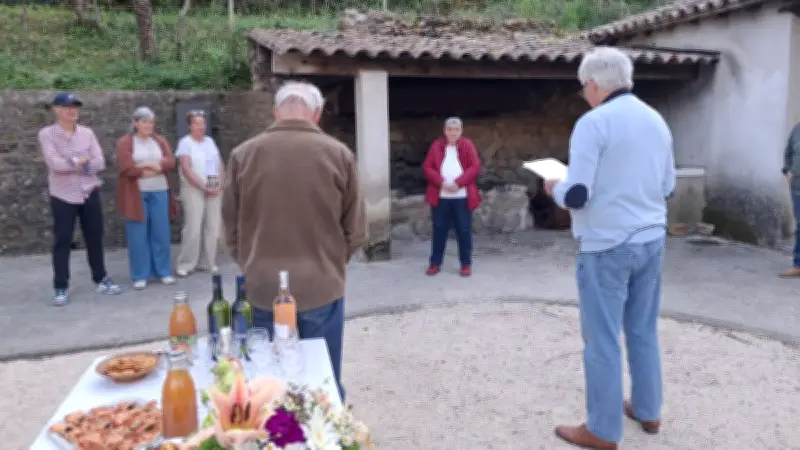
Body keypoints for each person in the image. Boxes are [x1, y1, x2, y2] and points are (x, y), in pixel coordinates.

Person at [544, 47, 676, 449]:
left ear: (595, 84)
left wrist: (555, 189)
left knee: (601, 339)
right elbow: (668, 186)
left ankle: (602, 430)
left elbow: (579, 194)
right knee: (642, 329)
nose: (585, 94)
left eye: (585, 87)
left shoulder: (593, 123)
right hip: (652, 239)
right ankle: (648, 410)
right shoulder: (656, 120)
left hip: (606, 246)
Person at [221, 81, 367, 401]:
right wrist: (331, 262)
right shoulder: (339, 154)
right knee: (322, 383)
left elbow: (229, 227)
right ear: (317, 114)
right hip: (321, 284)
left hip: (261, 287)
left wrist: (250, 262)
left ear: (276, 112)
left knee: (265, 385)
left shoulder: (242, 155)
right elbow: (356, 230)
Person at [37, 92, 123, 306]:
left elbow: (100, 162)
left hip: (88, 190)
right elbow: (54, 164)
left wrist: (72, 162)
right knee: (62, 240)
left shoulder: (87, 133)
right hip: (63, 194)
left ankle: (101, 278)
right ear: (56, 109)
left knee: (95, 236)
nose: (72, 110)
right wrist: (81, 160)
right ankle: (60, 286)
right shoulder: (47, 134)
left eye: (75, 107)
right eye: (67, 107)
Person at [116, 107, 178, 289]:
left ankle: (163, 271)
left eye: (150, 122)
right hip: (137, 193)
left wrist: (147, 165)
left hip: (160, 190)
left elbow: (170, 162)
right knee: (138, 234)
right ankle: (140, 275)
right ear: (135, 123)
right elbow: (127, 167)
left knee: (161, 231)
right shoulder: (125, 142)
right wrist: (154, 167)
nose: (148, 125)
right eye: (144, 122)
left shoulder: (159, 140)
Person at [422, 117, 482, 277]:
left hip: (462, 197)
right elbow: (427, 167)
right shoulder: (436, 146)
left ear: (461, 131)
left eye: (456, 130)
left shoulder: (467, 145)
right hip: (441, 196)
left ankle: (466, 264)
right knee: (439, 230)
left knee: (463, 230)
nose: (453, 133)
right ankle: (434, 263)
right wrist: (441, 182)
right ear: (445, 131)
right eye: (450, 129)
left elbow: (475, 166)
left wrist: (459, 182)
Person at [175, 110, 224, 277]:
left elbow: (219, 163)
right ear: (190, 125)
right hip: (193, 188)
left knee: (213, 227)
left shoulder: (210, 141)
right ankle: (186, 263)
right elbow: (186, 168)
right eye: (196, 123)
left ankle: (207, 262)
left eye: (202, 123)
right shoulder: (185, 143)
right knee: (193, 227)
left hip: (213, 185)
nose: (200, 126)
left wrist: (219, 184)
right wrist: (204, 187)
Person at [780, 121, 800, 278]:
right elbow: (788, 152)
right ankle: (798, 265)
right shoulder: (797, 129)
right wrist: (787, 171)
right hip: (797, 187)